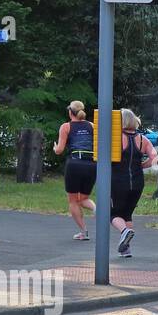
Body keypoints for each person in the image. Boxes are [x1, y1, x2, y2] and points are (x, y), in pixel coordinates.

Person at [109, 109, 158, 258]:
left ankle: (125, 232)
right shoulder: (143, 139)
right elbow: (156, 158)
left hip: (118, 180)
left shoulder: (116, 138)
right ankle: (126, 249)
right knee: (127, 215)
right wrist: (143, 165)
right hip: (137, 182)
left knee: (113, 214)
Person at [52, 101, 96, 241]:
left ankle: (84, 232)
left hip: (75, 163)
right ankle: (99, 211)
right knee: (84, 199)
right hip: (91, 164)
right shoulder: (91, 126)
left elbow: (59, 150)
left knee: (73, 200)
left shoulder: (66, 126)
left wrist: (54, 148)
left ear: (70, 112)